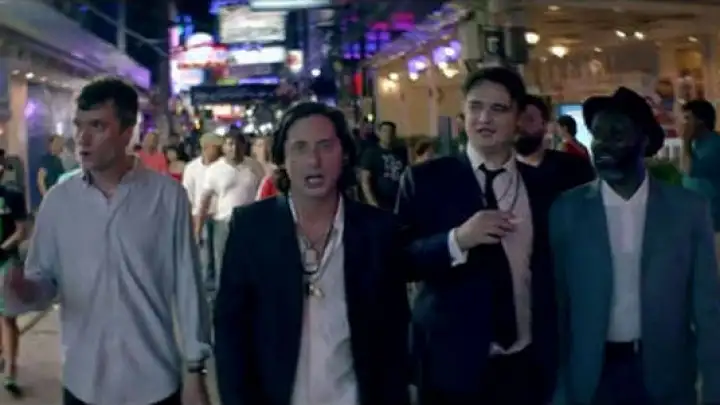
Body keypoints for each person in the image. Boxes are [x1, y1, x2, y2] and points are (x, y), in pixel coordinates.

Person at [1, 77, 211, 405]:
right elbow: (44, 284)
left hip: (154, 381)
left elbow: (188, 284)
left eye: (97, 126)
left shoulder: (167, 197)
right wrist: (22, 289)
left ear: (127, 132)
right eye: (79, 125)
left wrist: (196, 370)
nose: (82, 138)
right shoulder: (59, 201)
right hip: (83, 382)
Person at [214, 101, 410, 405]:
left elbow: (393, 339)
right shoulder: (251, 228)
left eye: (325, 146)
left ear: (345, 154)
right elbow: (230, 333)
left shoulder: (378, 232)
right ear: (282, 159)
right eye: (300, 148)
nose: (313, 160)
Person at [396, 67, 557, 405]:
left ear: (518, 117)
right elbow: (400, 261)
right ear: (463, 114)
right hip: (450, 365)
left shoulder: (542, 185)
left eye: (498, 109)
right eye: (475, 107)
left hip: (525, 362)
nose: (484, 118)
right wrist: (456, 240)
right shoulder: (426, 179)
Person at [550, 87, 720, 405]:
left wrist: (714, 388)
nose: (602, 145)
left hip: (666, 376)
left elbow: (708, 310)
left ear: (643, 141)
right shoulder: (567, 211)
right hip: (593, 377)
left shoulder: (688, 210)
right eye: (597, 134)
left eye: (617, 134)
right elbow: (558, 307)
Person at [196, 133, 260, 294]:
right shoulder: (215, 170)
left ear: (244, 147)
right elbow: (204, 201)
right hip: (224, 224)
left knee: (250, 267)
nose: (234, 148)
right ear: (223, 147)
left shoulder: (253, 167)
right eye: (230, 144)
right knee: (224, 267)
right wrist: (197, 230)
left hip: (251, 224)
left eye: (238, 144)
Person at [515, 95, 595, 199]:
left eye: (529, 119)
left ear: (545, 125)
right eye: (515, 120)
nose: (520, 125)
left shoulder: (575, 167)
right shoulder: (500, 174)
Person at [0, 159, 28, 398]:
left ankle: (10, 372)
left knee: (8, 316)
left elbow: (22, 230)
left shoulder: (12, 195)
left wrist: (3, 248)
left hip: (7, 261)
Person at [680, 99, 720, 264]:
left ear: (701, 121)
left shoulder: (714, 145)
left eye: (688, 118)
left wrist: (685, 141)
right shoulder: (696, 145)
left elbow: (689, 169)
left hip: (713, 222)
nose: (684, 124)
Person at [183, 133, 224, 291]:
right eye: (216, 147)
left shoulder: (222, 166)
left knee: (220, 259)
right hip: (200, 218)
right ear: (206, 148)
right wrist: (194, 225)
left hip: (219, 217)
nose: (220, 150)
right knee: (204, 259)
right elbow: (189, 196)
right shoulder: (192, 168)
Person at [359, 121, 408, 210]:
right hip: (380, 201)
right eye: (385, 131)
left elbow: (407, 175)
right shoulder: (372, 153)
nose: (388, 134)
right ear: (379, 133)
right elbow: (365, 180)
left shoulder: (401, 153)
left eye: (391, 132)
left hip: (398, 202)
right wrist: (372, 203)